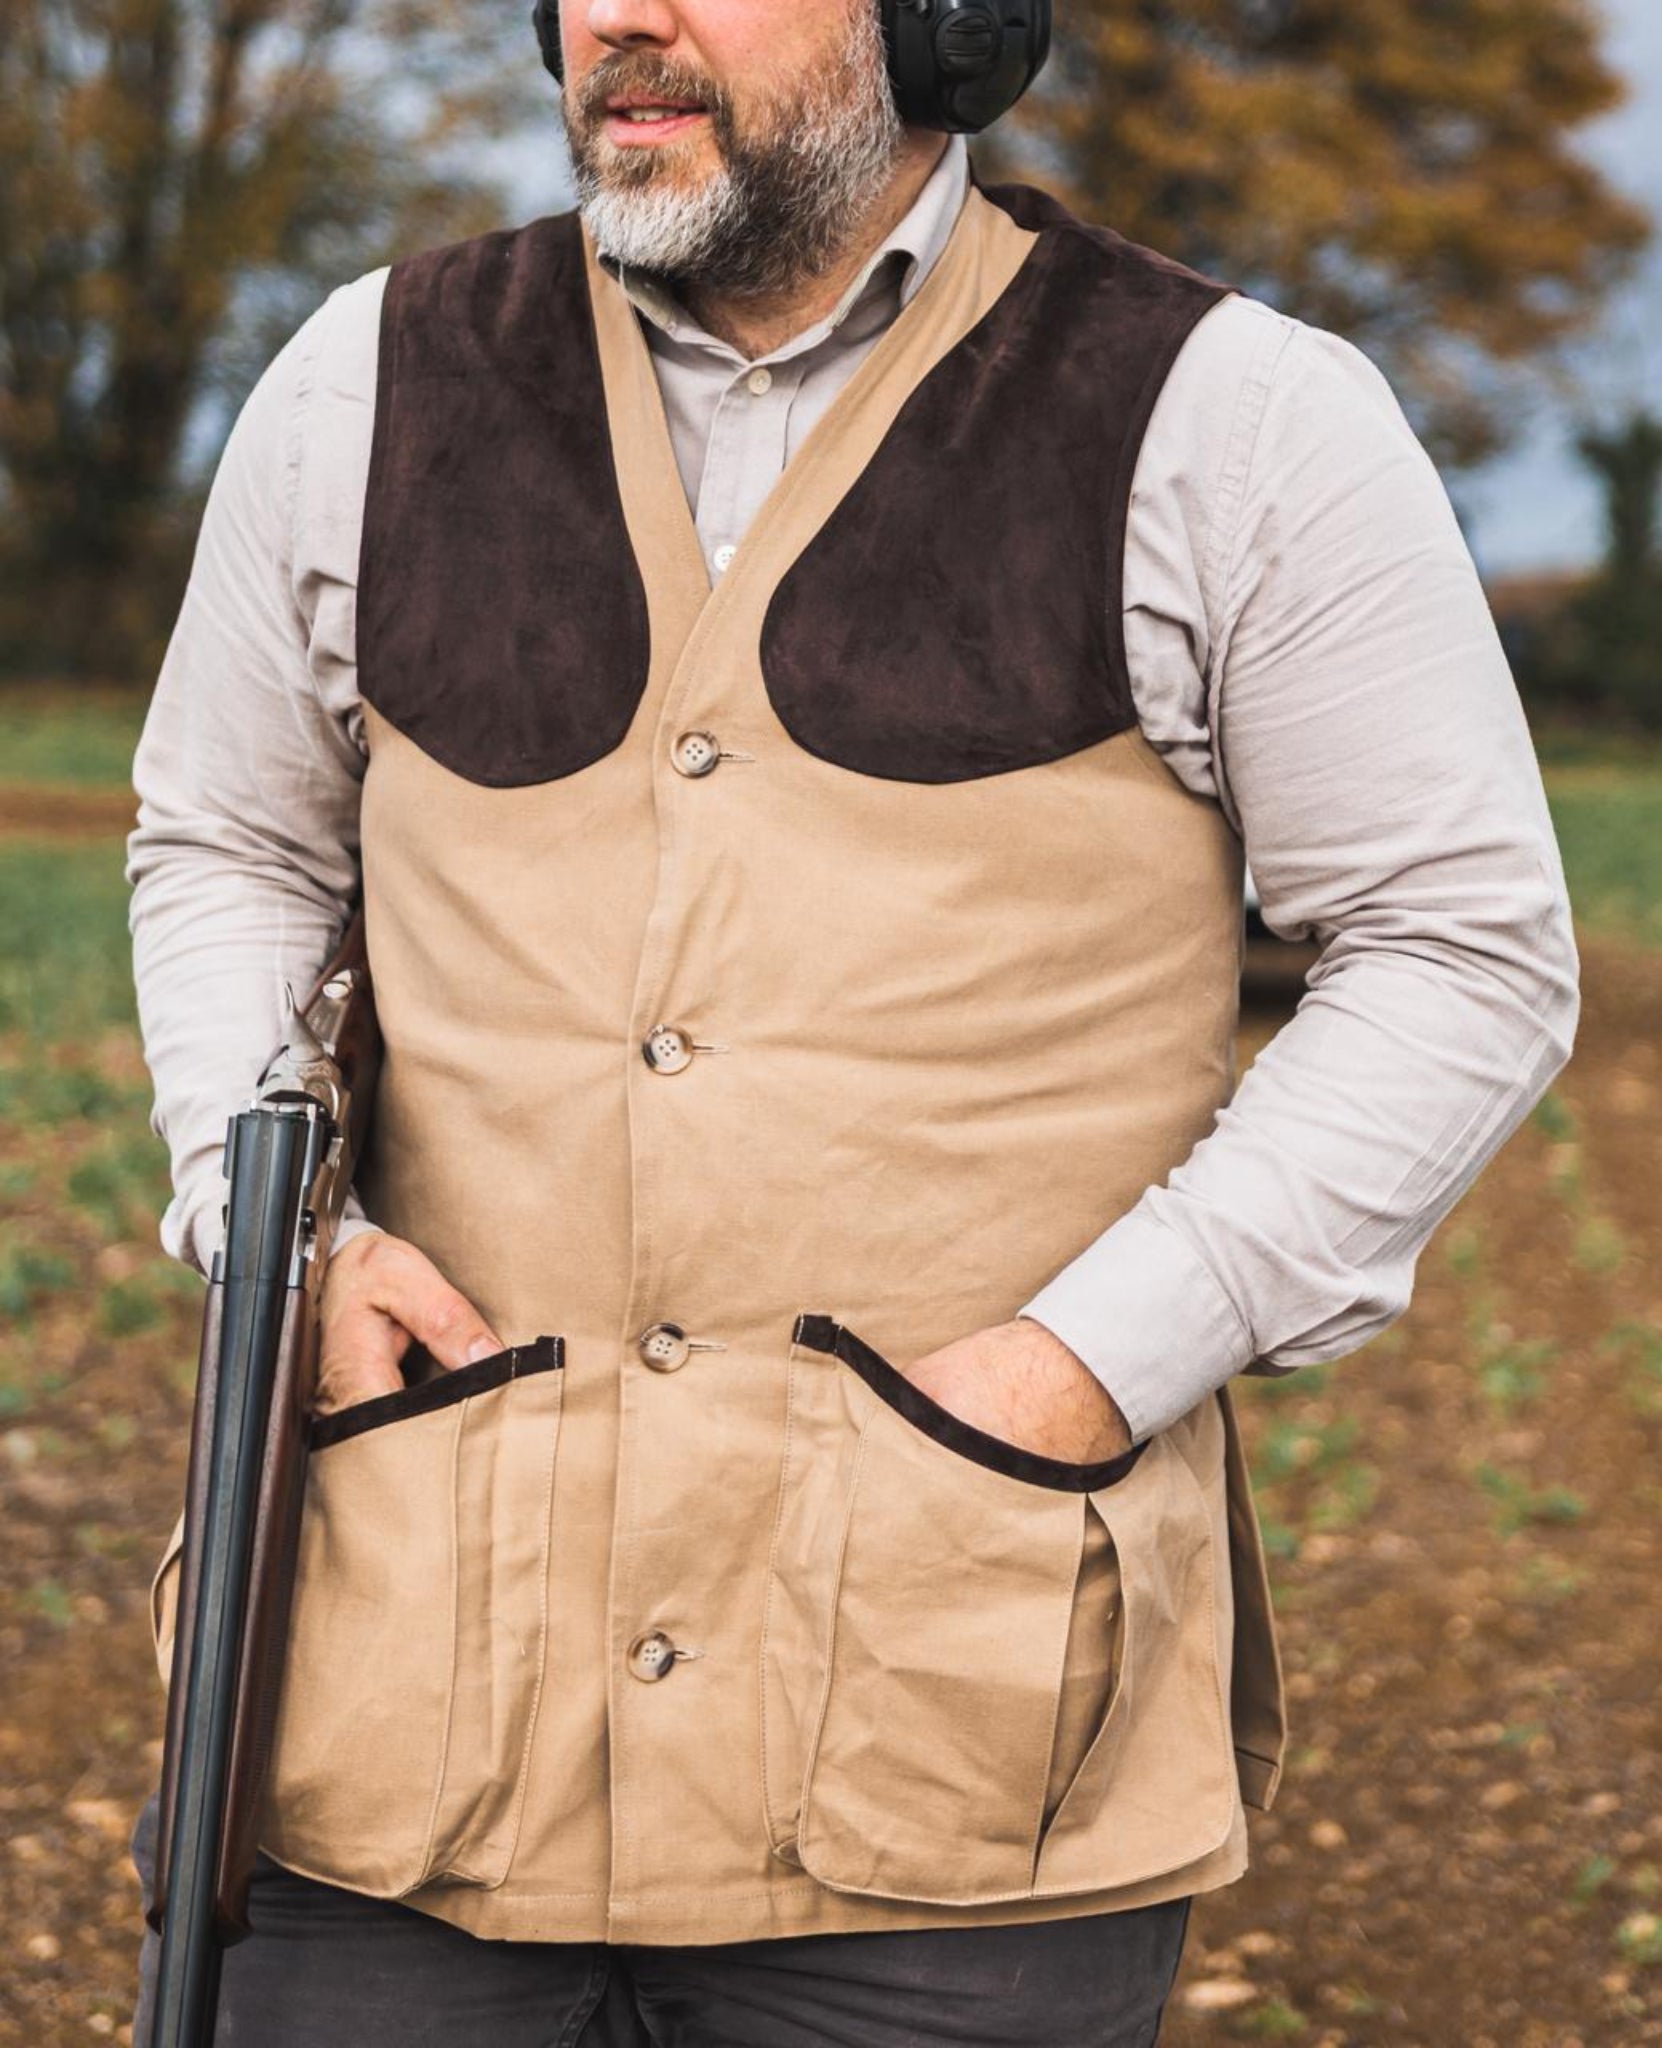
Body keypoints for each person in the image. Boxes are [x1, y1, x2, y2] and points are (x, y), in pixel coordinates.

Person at [122, 0, 1583, 2039]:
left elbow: (1459, 949)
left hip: (950, 1737)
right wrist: (273, 1223)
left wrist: (1092, 1362)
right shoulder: (355, 383)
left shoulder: (1237, 418)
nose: (621, 18)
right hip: (388, 1714)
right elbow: (227, 845)